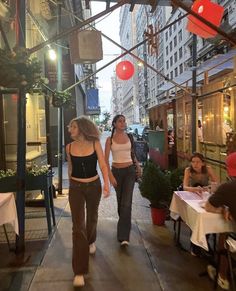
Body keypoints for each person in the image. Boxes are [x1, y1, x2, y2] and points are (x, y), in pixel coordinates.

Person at [66, 116, 110, 287]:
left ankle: (91, 240)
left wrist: (106, 184)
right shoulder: (69, 147)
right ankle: (79, 271)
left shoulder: (95, 144)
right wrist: (71, 186)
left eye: (73, 127)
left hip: (93, 186)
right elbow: (70, 168)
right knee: (78, 227)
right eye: (70, 127)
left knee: (92, 217)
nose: (70, 130)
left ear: (83, 128)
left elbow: (103, 165)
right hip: (75, 187)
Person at [104, 114, 141, 246]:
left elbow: (133, 154)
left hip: (130, 171)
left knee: (126, 203)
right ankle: (124, 224)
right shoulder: (110, 140)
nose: (123, 123)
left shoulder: (130, 137)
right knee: (121, 203)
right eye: (120, 121)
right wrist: (110, 176)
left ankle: (123, 236)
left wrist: (137, 165)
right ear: (114, 124)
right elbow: (105, 160)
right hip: (117, 172)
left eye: (124, 121)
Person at [205, 152, 236, 290]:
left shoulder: (227, 187)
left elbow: (208, 206)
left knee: (224, 232)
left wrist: (223, 210)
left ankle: (222, 277)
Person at [183, 152, 219, 256]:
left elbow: (216, 183)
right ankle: (195, 245)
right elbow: (185, 187)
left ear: (203, 163)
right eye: (193, 162)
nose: (195, 164)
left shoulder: (208, 169)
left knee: (207, 216)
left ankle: (206, 241)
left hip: (204, 196)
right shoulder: (188, 170)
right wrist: (194, 189)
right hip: (191, 197)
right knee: (195, 216)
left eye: (198, 162)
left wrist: (208, 188)